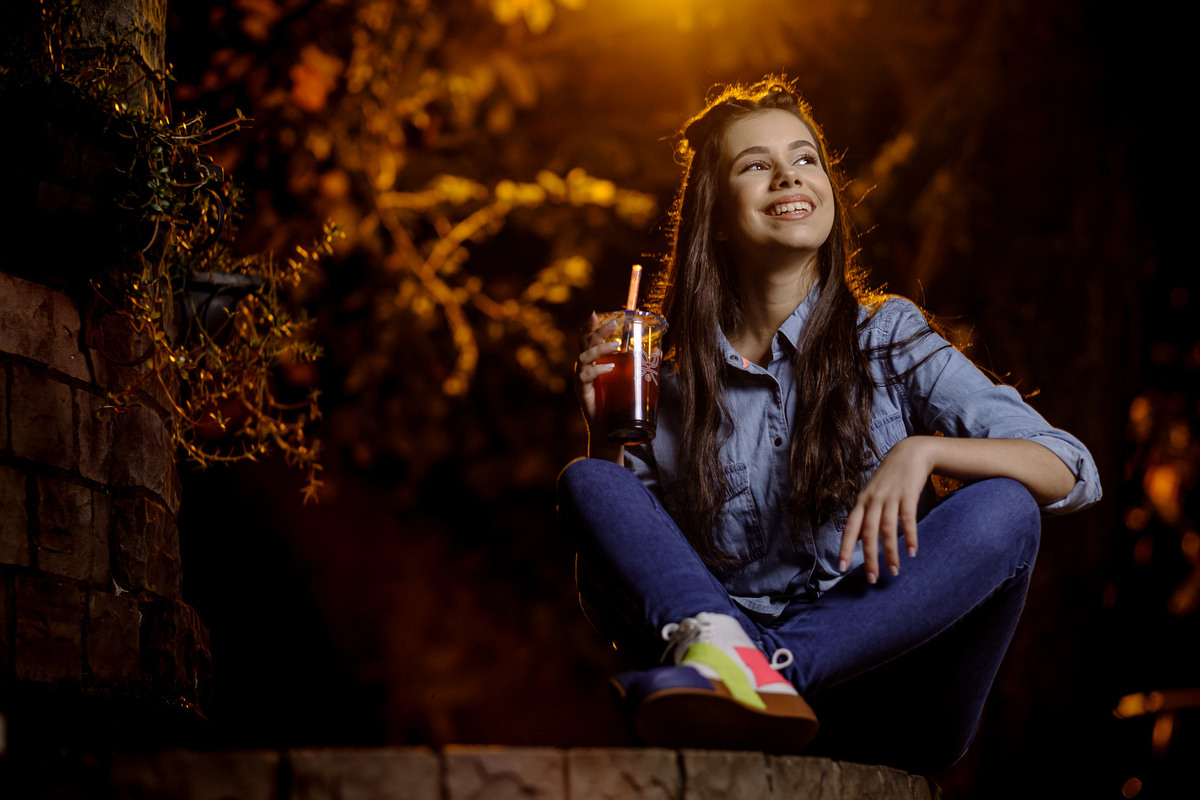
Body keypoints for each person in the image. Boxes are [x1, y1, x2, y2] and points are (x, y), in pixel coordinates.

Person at [558, 77, 1100, 774]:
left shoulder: (888, 336)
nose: (788, 174)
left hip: (895, 698)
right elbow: (615, 605)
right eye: (755, 164)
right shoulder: (669, 385)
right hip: (736, 691)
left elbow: (1072, 468)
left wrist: (924, 450)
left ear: (826, 192)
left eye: (804, 157)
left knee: (1007, 506)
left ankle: (767, 668)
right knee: (590, 482)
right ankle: (749, 667)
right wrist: (606, 433)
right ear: (715, 216)